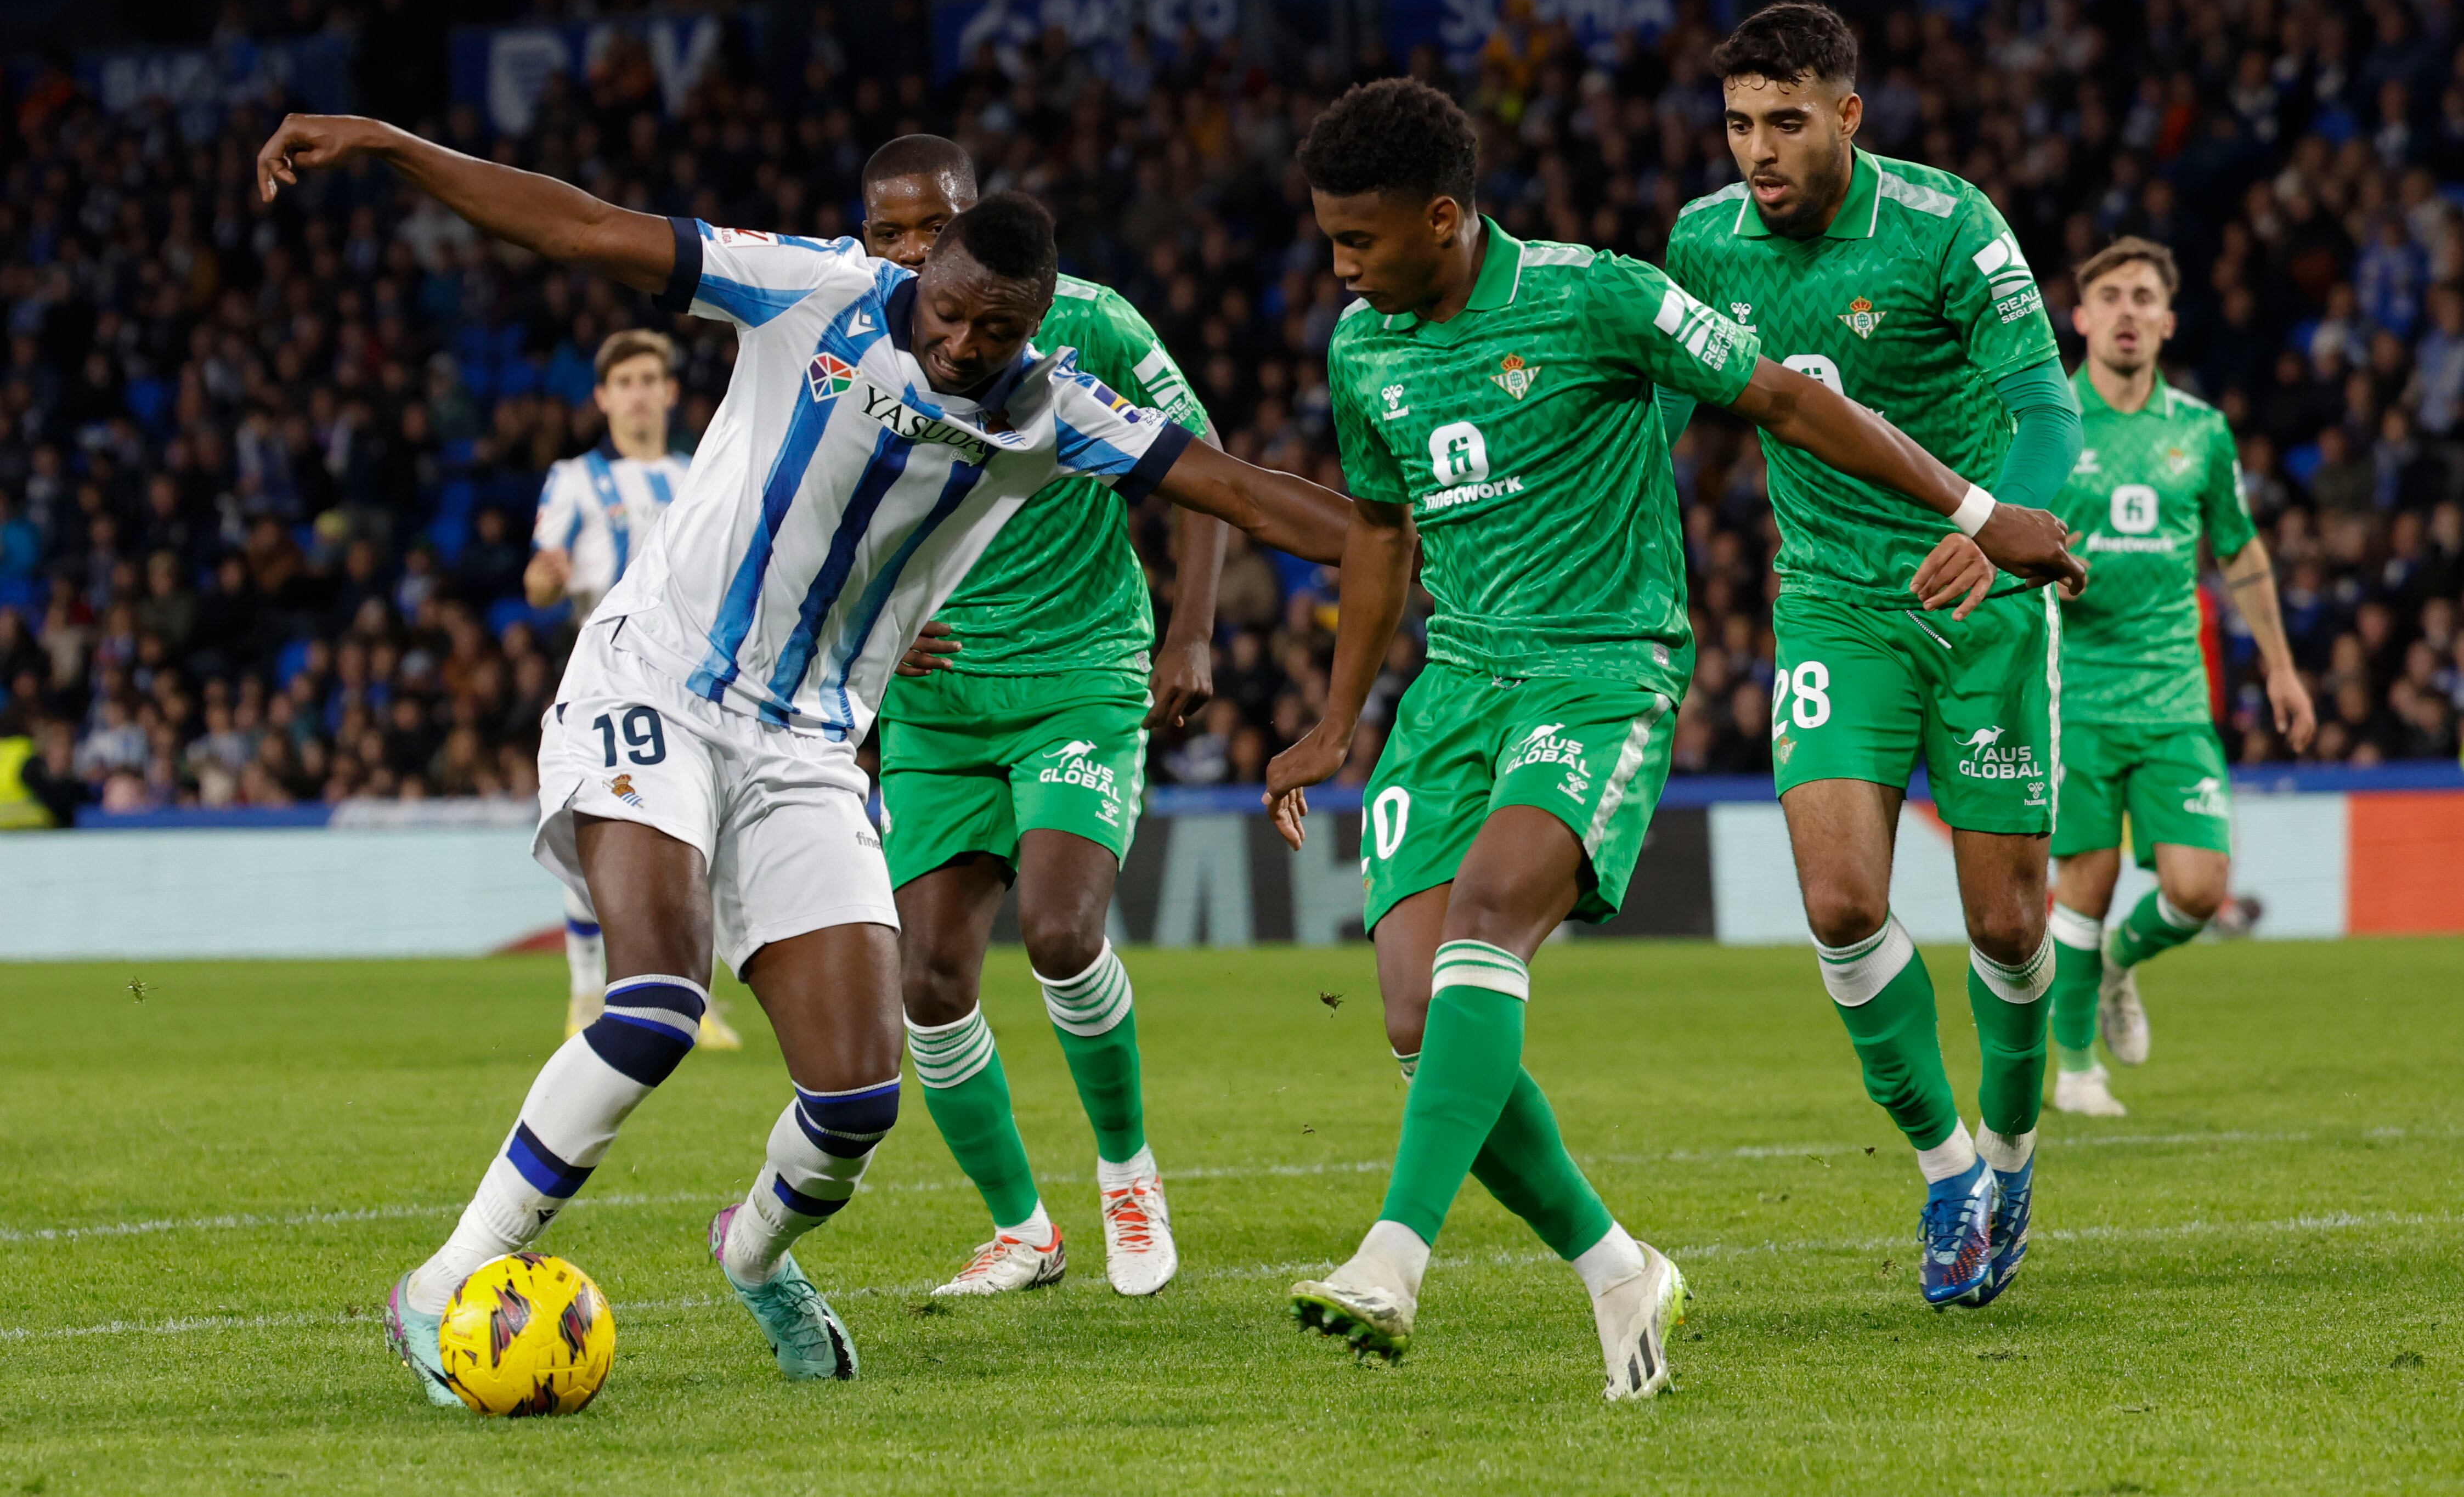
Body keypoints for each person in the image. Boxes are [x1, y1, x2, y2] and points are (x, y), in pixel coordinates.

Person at [252, 112, 1353, 1399]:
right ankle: (440, 1285)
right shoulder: (810, 289)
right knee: (658, 1002)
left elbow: (1254, 494)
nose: (950, 338)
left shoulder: (1059, 410)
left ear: (1027, 326)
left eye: (986, 329)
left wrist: (1436, 529)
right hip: (654, 680)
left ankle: (756, 1254)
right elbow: (579, 224)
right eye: (933, 301)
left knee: (854, 1096)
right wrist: (390, 145)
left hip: (809, 746)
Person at [1262, 78, 2082, 1398]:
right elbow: (1374, 531)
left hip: (1598, 672)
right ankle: (1615, 1269)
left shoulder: (1600, 296)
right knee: (1421, 1013)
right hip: (1457, 684)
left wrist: (1978, 508)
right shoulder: (1363, 350)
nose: (1338, 265)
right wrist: (1333, 716)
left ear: (1438, 215)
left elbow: (1793, 405)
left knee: (1488, 929)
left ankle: (1392, 1255)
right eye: (1328, 239)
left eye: (1357, 240)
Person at [1660, 1, 2086, 1309]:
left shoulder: (1947, 227)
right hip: (1833, 606)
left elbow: (2045, 416)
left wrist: (1991, 531)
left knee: (2007, 927)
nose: (1756, 153)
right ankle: (1948, 1170)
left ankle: (2011, 1155)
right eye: (1737, 125)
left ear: (1846, 115)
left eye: (1784, 122)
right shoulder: (1701, 242)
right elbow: (1658, 423)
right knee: (1841, 901)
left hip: (1981, 607)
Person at [857, 136, 1221, 1298]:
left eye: (934, 227)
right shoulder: (851, 335)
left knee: (1062, 934)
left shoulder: (1092, 325)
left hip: (1076, 671)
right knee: (929, 980)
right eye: (890, 235)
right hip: (937, 701)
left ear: (982, 219)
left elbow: (1198, 458)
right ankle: (1022, 1227)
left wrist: (1192, 629)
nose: (914, 254)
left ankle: (1126, 1173)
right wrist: (863, 625)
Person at [2046, 238, 2316, 1116]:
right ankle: (2078, 1070)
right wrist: (2043, 566)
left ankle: (2122, 964)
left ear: (2166, 321)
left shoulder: (2200, 431)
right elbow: (1999, 539)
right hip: (2076, 687)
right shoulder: (2046, 423)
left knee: (2199, 888)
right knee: (2080, 882)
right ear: (2081, 318)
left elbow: (2238, 551)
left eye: (2144, 298)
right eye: (2111, 296)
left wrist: (2281, 669)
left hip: (2171, 692)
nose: (2128, 311)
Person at [526, 330, 740, 1049]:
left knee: (697, 843)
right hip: (608, 684)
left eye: (651, 378)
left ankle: (697, 999)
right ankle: (586, 994)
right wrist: (545, 582)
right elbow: (537, 580)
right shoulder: (574, 479)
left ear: (670, 391)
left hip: (694, 686)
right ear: (604, 397)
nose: (640, 392)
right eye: (626, 382)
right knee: (602, 839)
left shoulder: (698, 474)